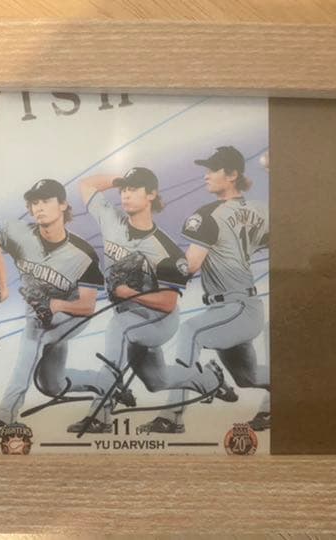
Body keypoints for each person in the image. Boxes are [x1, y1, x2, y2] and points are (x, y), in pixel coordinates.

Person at [67, 167, 237, 434]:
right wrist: (118, 179)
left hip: (158, 320)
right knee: (157, 381)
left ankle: (100, 414)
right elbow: (86, 185)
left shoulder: (167, 251)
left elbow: (168, 303)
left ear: (151, 194)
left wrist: (128, 293)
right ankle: (209, 380)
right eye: (124, 189)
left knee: (118, 327)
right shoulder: (110, 219)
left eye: (134, 189)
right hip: (130, 317)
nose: (125, 194)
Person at [137, 146, 271, 435]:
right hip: (238, 310)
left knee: (191, 331)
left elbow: (191, 265)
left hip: (234, 308)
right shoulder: (262, 211)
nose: (206, 176)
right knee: (247, 377)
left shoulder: (208, 215)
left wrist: (149, 271)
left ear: (232, 175)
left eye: (213, 170)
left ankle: (172, 417)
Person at [0, 179, 105, 435]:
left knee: (34, 339)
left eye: (46, 201)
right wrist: (0, 284)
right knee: (52, 385)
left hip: (71, 315)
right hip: (38, 316)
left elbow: (88, 306)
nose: (39, 207)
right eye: (34, 202)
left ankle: (4, 416)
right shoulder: (18, 233)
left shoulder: (83, 254)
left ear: (63, 205)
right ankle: (104, 382)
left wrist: (57, 305)